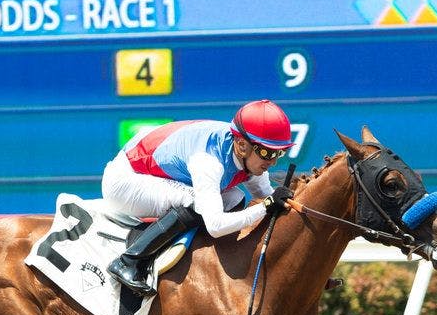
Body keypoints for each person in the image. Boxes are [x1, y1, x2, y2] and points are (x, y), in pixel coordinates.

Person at [103, 99, 296, 295]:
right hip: (125, 181)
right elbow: (216, 226)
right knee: (197, 203)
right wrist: (265, 206)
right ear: (242, 146)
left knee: (235, 198)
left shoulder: (247, 152)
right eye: (267, 152)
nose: (273, 162)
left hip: (151, 169)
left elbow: (269, 197)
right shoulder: (208, 163)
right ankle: (129, 261)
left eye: (279, 153)